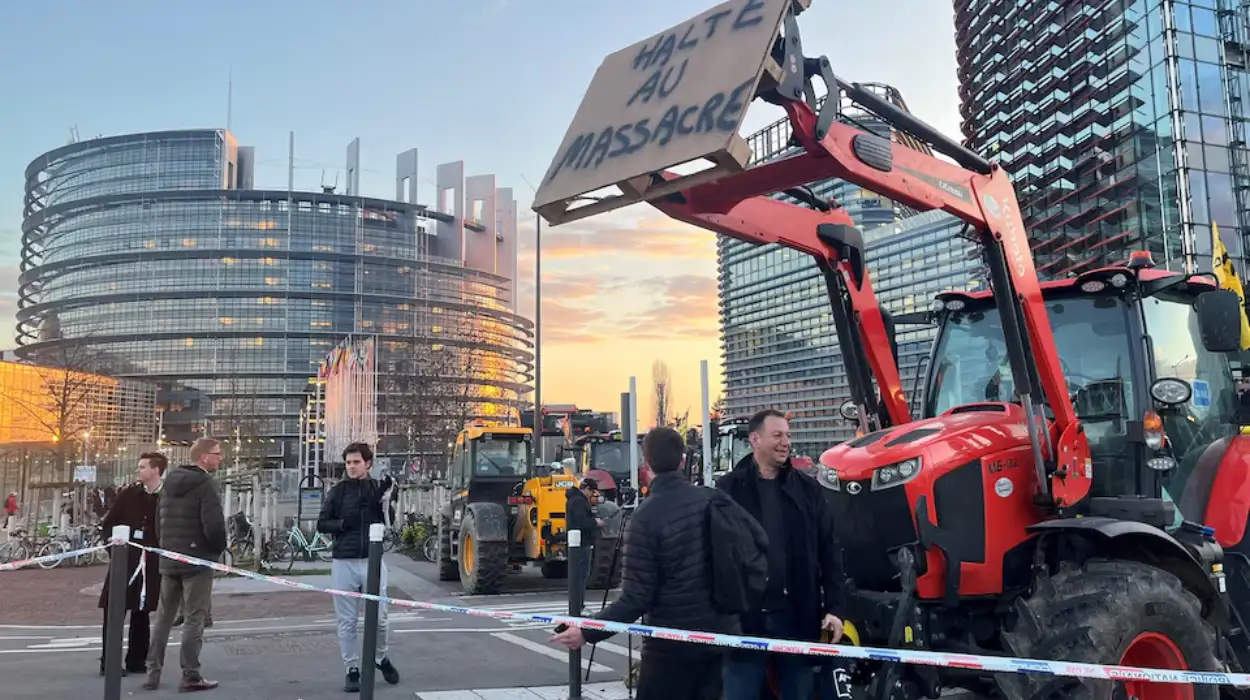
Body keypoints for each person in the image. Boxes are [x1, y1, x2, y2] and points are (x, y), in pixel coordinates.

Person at [550, 427, 736, 699]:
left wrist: (587, 632)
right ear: (683, 460)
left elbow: (636, 598)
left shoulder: (645, 518)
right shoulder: (714, 499)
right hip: (719, 638)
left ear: (646, 463)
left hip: (669, 646)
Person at [716, 409, 846, 700]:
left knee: (798, 692)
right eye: (777, 435)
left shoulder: (808, 490)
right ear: (755, 439)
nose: (785, 442)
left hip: (796, 618)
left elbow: (829, 550)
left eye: (788, 435)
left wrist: (835, 609)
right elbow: (715, 556)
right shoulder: (728, 490)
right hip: (744, 621)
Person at [144, 437, 227, 692]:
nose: (220, 458)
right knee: (194, 617)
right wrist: (216, 550)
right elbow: (213, 525)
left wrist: (167, 548)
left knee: (163, 619)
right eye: (217, 454)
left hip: (170, 559)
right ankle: (190, 675)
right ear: (204, 457)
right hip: (196, 561)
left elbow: (159, 522)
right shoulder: (206, 484)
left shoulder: (169, 484)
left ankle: (152, 674)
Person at [316, 442, 400, 692]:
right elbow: (322, 523)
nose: (351, 467)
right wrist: (342, 524)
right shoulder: (338, 491)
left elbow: (389, 521)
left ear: (368, 464)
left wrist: (387, 500)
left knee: (381, 618)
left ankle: (379, 657)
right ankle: (352, 668)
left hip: (373, 560)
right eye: (348, 462)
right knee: (347, 621)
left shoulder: (377, 488)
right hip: (344, 560)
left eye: (356, 462)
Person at [98, 452, 166, 676]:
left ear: (156, 470)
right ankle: (109, 661)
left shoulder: (166, 497)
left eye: (143, 467)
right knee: (114, 610)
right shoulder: (129, 494)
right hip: (124, 561)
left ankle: (137, 659)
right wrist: (113, 549)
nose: (139, 471)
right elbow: (109, 523)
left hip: (150, 563)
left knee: (142, 610)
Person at [564, 477, 602, 604]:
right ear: (586, 489)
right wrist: (595, 522)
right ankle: (578, 606)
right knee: (581, 576)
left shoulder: (573, 499)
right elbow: (581, 522)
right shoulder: (579, 502)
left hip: (577, 543)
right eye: (592, 492)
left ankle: (577, 606)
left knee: (577, 576)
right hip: (582, 543)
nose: (592, 496)